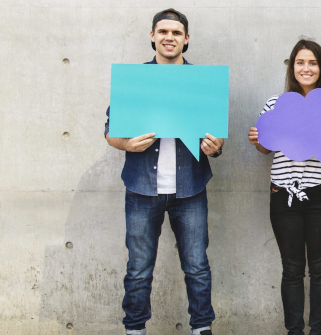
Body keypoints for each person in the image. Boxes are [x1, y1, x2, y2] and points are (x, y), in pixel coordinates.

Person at [104, 8, 222, 335]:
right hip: (142, 190)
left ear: (187, 39)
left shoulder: (203, 83)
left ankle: (201, 329)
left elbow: (217, 135)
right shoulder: (134, 81)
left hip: (191, 190)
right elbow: (111, 131)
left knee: (197, 267)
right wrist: (126, 145)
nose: (169, 37)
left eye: (176, 33)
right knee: (139, 269)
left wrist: (215, 146)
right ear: (153, 36)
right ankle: (135, 329)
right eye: (163, 31)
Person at [247, 39, 321, 335]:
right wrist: (257, 139)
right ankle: (294, 331)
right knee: (291, 269)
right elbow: (266, 150)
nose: (306, 68)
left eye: (312, 63)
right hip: (283, 194)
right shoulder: (275, 103)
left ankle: (318, 330)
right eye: (300, 62)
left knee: (320, 267)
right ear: (292, 67)